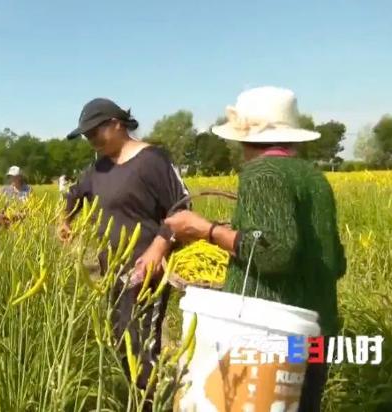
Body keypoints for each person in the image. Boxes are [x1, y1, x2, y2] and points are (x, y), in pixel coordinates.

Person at [164, 87, 346, 411]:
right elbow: (336, 262)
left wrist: (205, 230)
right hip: (317, 332)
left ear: (242, 138)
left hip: (266, 332)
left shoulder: (262, 173)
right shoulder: (315, 178)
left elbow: (273, 253)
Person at [59, 97, 188, 400]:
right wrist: (64, 219)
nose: (91, 141)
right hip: (111, 271)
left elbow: (182, 208)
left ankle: (153, 404)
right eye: (86, 136)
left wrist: (158, 247)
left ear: (116, 124)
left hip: (147, 273)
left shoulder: (153, 160)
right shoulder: (99, 168)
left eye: (94, 133)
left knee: (142, 351)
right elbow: (76, 194)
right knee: (119, 343)